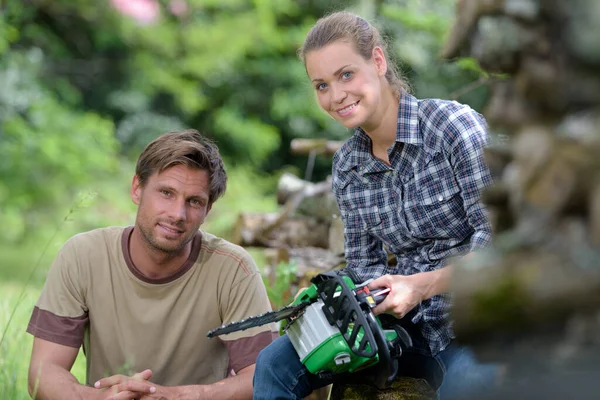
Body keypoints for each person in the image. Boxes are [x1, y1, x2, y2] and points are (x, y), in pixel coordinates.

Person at [253, 11, 499, 400]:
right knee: (274, 365)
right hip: (401, 328)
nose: (335, 96)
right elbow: (364, 265)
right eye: (321, 85)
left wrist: (420, 286)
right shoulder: (348, 166)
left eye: (346, 75)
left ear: (379, 62)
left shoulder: (454, 129)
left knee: (471, 384)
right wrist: (335, 297)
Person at [27, 129, 275, 400]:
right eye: (166, 193)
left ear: (208, 210)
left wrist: (176, 397)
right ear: (137, 188)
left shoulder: (233, 269)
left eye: (194, 201)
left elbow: (262, 377)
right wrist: (99, 398)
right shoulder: (82, 255)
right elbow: (44, 372)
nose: (177, 214)